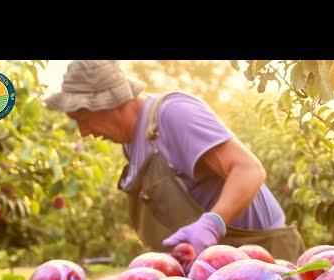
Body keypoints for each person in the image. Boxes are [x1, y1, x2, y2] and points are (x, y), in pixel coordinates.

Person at [44, 60, 305, 261]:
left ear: (110, 102)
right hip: (213, 273)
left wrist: (212, 223)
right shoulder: (132, 143)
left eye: (83, 118)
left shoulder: (174, 114)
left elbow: (249, 170)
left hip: (262, 262)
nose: (84, 132)